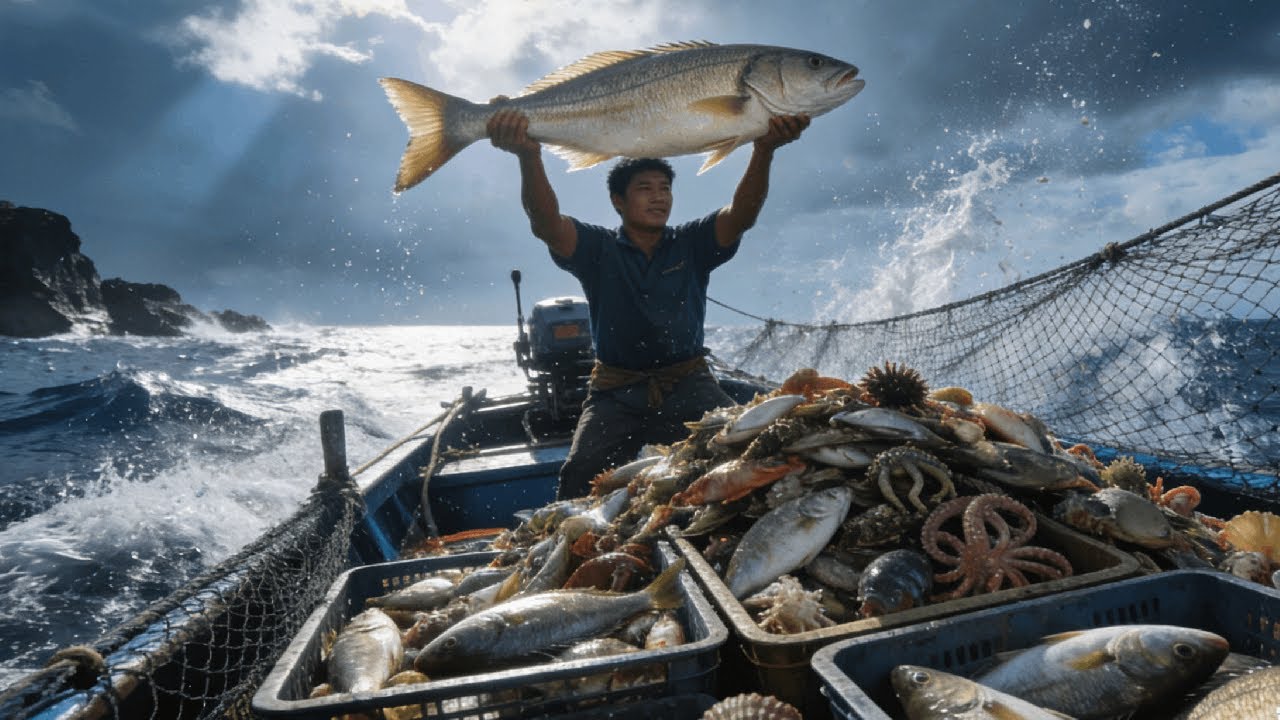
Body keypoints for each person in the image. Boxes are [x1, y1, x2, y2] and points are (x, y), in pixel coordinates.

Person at [487, 108, 810, 500]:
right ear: (617, 201)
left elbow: (741, 215)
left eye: (665, 188)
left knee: (746, 454)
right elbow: (546, 223)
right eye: (645, 188)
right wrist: (529, 155)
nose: (659, 197)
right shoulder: (597, 248)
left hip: (689, 383)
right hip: (615, 391)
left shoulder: (693, 243)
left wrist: (764, 151)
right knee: (579, 474)